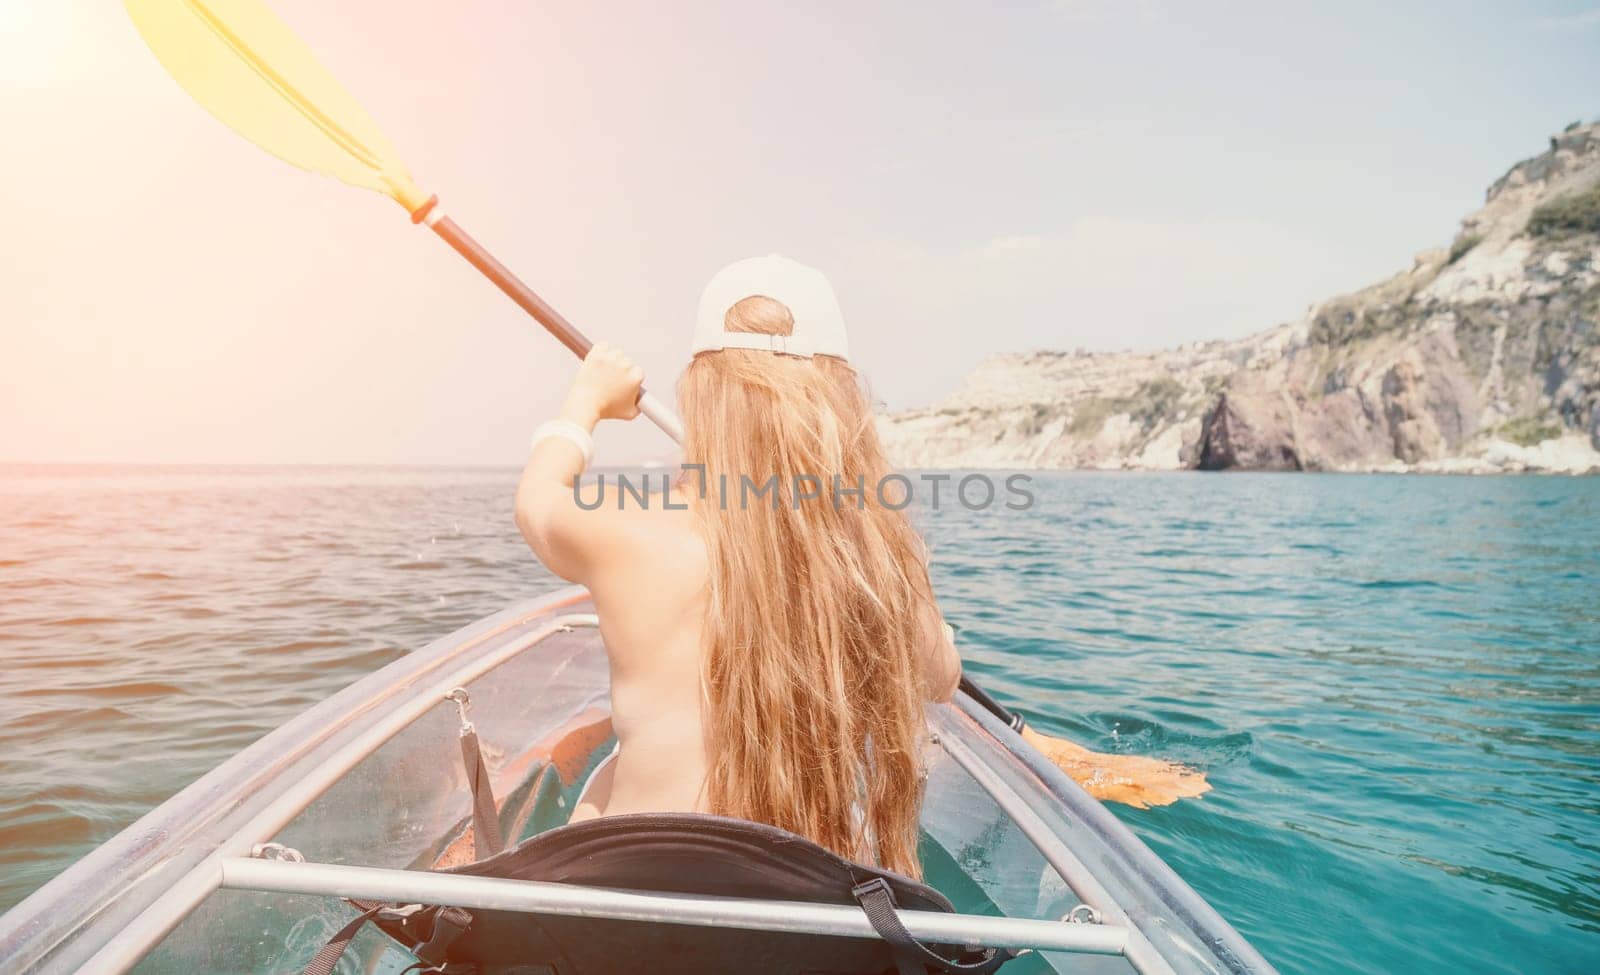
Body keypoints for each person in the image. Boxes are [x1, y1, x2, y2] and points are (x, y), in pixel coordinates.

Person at [514, 255, 957, 879]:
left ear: (701, 395)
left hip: (629, 897)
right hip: (799, 900)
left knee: (606, 779)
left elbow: (538, 502)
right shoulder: (875, 554)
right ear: (837, 399)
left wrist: (583, 405)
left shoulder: (627, 529)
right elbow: (939, 678)